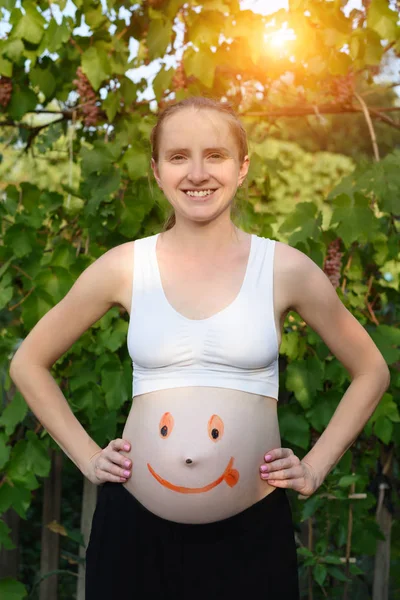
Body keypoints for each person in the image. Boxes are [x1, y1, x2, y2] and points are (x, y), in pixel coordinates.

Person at [10, 96, 390, 599]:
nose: (197, 173)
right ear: (157, 169)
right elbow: (28, 362)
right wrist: (86, 458)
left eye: (215, 155)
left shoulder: (284, 269)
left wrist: (315, 466)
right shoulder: (126, 266)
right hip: (134, 535)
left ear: (242, 166)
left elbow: (371, 370)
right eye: (177, 156)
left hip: (250, 538)